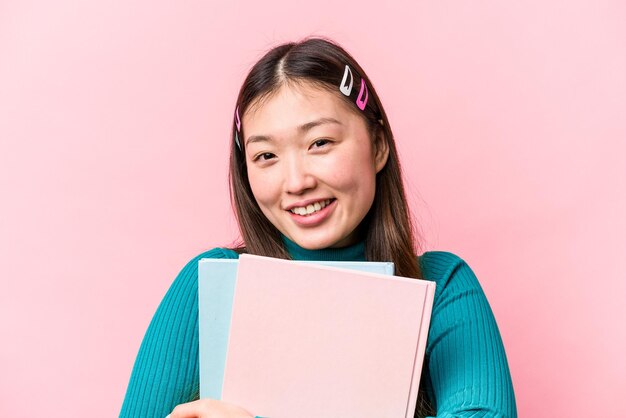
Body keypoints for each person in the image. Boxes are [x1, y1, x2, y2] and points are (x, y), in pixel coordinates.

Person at [120, 37, 517, 418]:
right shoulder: (210, 286)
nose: (296, 182)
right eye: (266, 155)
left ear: (378, 145)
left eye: (320, 143)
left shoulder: (443, 285)